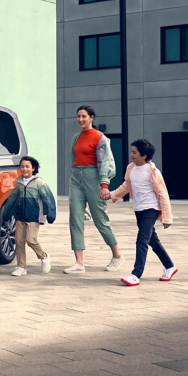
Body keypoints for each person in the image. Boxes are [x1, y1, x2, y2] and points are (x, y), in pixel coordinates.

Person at [106, 139, 177, 286]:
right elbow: (126, 185)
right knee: (153, 241)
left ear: (144, 155)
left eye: (134, 152)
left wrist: (167, 217)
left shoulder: (153, 172)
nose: (131, 154)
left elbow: (163, 193)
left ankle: (136, 274)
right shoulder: (130, 168)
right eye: (131, 151)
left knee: (141, 241)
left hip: (151, 209)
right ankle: (170, 266)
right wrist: (112, 195)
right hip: (138, 210)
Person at [65, 105, 124, 274]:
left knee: (100, 220)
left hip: (94, 178)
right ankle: (79, 263)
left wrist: (104, 185)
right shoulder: (76, 137)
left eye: (84, 116)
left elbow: (105, 162)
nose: (80, 119)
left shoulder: (100, 138)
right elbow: (73, 159)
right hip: (77, 178)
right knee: (75, 218)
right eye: (78, 116)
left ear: (91, 117)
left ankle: (117, 255)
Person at [2, 156, 57, 276]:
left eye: (27, 166)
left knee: (30, 239)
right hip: (20, 215)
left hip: (34, 216)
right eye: (22, 166)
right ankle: (21, 267)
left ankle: (43, 256)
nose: (24, 169)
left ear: (33, 168)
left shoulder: (40, 182)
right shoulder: (19, 182)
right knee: (19, 241)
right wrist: (7, 213)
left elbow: (48, 198)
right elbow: (13, 198)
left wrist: (50, 215)